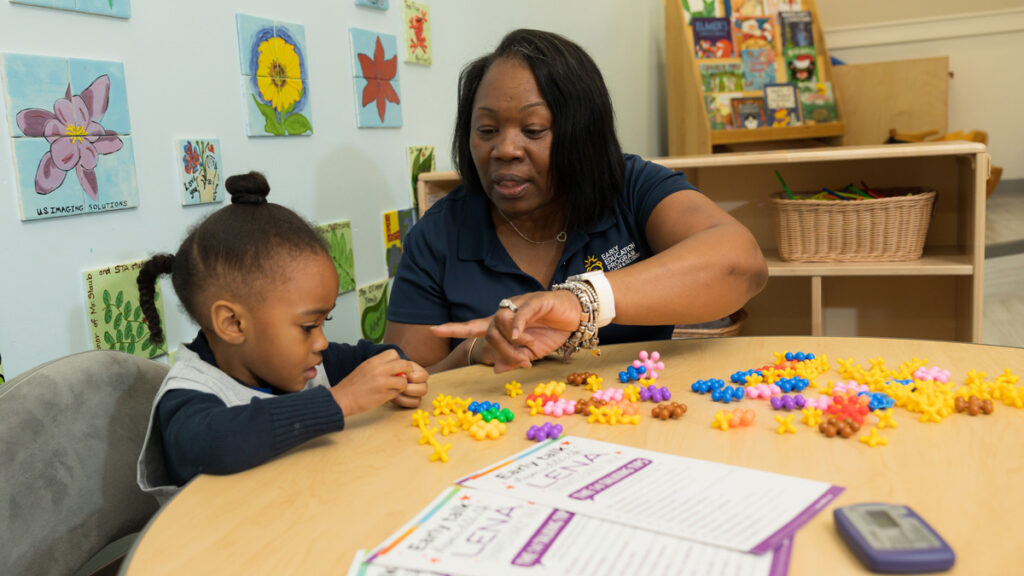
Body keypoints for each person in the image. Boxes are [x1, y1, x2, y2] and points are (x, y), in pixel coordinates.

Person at [385, 29, 768, 373]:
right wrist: (474, 352)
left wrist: (583, 300)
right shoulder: (438, 235)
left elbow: (741, 264)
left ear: (583, 134)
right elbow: (405, 385)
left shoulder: (631, 188)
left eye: (533, 130)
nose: (504, 149)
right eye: (486, 130)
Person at [136, 172, 428, 502]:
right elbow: (218, 445)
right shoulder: (189, 394)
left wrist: (400, 372)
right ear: (233, 323)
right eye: (308, 327)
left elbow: (377, 358)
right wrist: (341, 400)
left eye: (325, 321)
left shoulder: (309, 362)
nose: (322, 343)